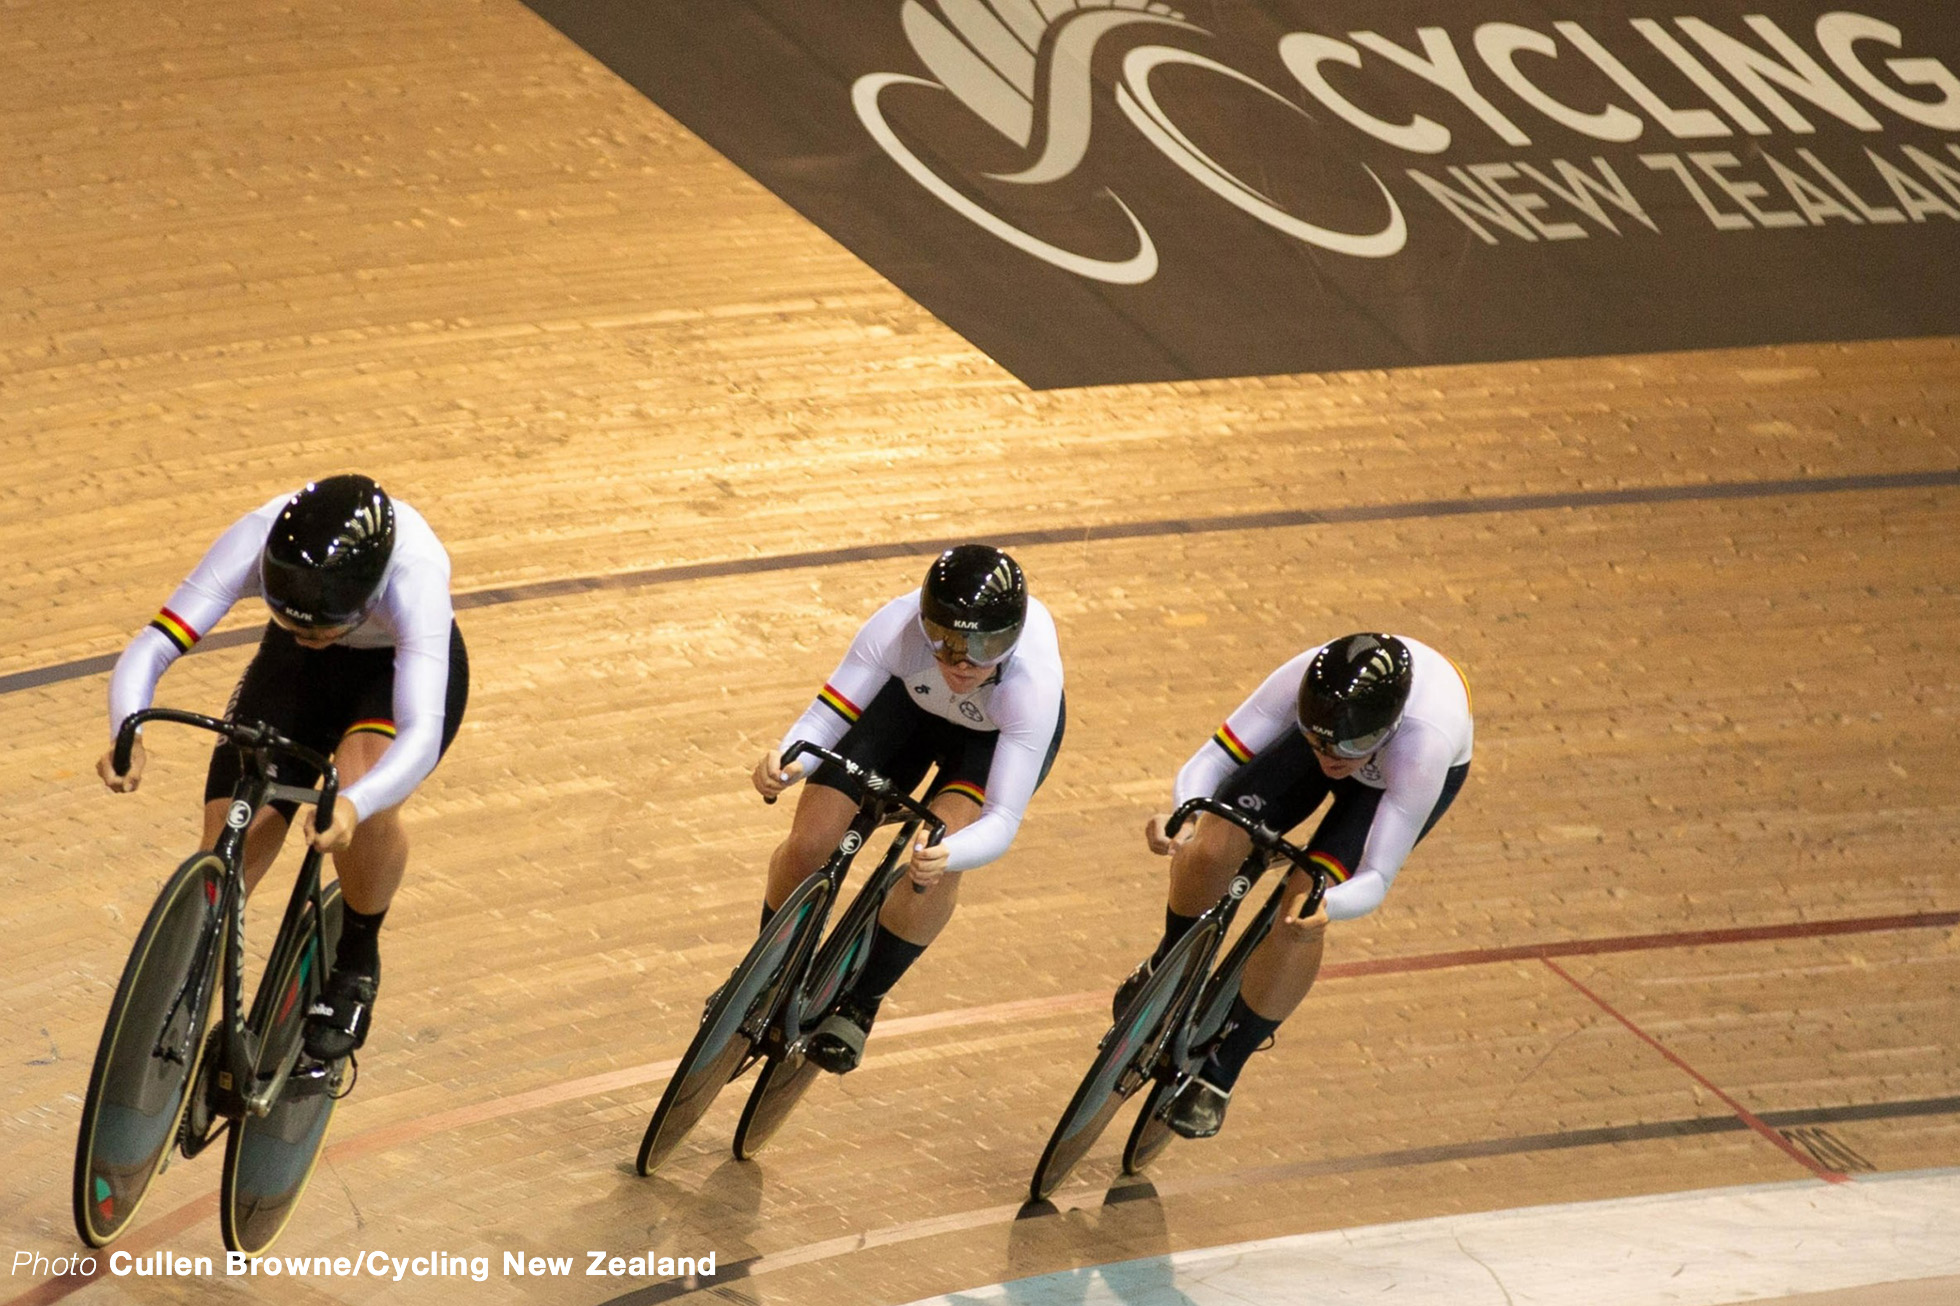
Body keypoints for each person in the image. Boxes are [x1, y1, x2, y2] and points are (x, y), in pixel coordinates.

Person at [97, 475, 468, 1062]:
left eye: (323, 627)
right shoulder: (257, 536)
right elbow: (155, 642)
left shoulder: (416, 571)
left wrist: (354, 803)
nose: (312, 636)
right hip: (293, 673)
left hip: (389, 675)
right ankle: (189, 997)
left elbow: (419, 734)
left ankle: (356, 959)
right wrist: (128, 729)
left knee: (361, 794)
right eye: (295, 621)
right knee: (227, 844)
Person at [1118, 632, 1471, 1138]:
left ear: (1388, 727)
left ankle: (1222, 1070)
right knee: (1213, 842)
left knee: (1300, 910)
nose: (1333, 756)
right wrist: (1186, 818)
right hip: (1338, 737)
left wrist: (1331, 907)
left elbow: (1376, 876)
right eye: (1320, 739)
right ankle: (1166, 966)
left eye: (1350, 745)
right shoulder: (1305, 683)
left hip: (1390, 785)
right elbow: (1211, 761)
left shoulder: (1424, 744)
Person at [751, 544, 1065, 1073]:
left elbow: (1002, 821)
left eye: (981, 647)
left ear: (1010, 639)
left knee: (936, 862)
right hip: (908, 712)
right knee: (811, 839)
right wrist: (787, 762)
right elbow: (825, 721)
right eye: (943, 641)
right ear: (924, 623)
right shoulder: (896, 629)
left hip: (987, 747)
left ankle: (859, 1004)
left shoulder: (1030, 687)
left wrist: (952, 853)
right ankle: (764, 972)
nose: (960, 662)